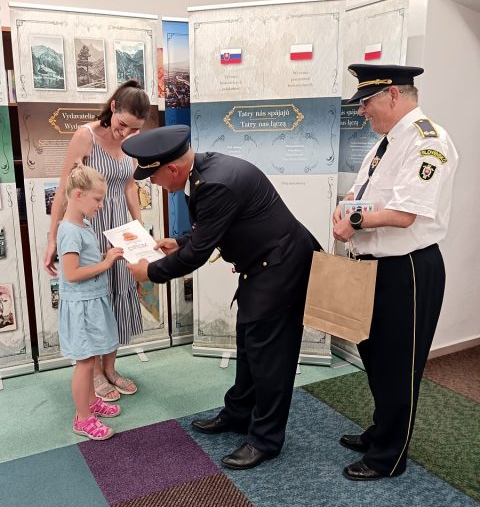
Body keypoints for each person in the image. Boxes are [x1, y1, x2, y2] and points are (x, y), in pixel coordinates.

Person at [122, 124, 320, 470]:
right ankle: (239, 413)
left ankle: (266, 439)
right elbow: (211, 230)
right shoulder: (202, 172)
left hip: (281, 268)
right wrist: (180, 242)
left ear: (172, 170)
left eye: (153, 177)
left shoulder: (214, 183)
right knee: (249, 344)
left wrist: (149, 272)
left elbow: (198, 255)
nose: (153, 184)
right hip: (262, 266)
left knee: (271, 357)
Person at [333, 64, 458, 480]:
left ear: (393, 95)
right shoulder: (386, 143)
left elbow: (404, 215)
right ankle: (381, 431)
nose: (361, 110)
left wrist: (352, 222)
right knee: (375, 357)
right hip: (373, 266)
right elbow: (360, 194)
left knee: (399, 364)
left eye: (366, 102)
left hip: (407, 269)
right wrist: (345, 211)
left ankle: (388, 456)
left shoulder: (428, 141)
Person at [44, 80, 151, 402]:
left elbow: (130, 186)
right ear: (113, 107)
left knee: (119, 293)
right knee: (95, 299)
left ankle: (110, 368)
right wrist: (52, 238)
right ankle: (92, 374)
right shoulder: (84, 136)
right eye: (122, 125)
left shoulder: (131, 141)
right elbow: (65, 189)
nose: (125, 133)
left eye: (134, 129)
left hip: (120, 228)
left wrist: (139, 229)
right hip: (90, 226)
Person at [58, 164, 124, 440]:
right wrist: (106, 263)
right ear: (78, 195)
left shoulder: (83, 225)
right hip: (81, 305)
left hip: (92, 301)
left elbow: (84, 264)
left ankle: (91, 403)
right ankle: (83, 418)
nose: (101, 205)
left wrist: (104, 258)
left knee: (92, 356)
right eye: (97, 199)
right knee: (85, 363)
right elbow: (71, 274)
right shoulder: (69, 230)